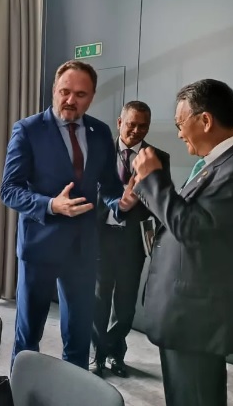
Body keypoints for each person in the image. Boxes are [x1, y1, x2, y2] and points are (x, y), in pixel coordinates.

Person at [131, 79, 233, 406]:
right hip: (188, 315)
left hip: (198, 317)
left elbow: (191, 227)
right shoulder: (218, 164)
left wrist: (153, 179)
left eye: (180, 124)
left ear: (205, 120)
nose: (179, 134)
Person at [0, 60, 139, 370]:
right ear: (54, 90)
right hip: (39, 246)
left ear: (91, 97)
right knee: (28, 336)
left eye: (80, 94)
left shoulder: (100, 132)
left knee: (78, 338)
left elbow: (109, 186)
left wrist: (122, 203)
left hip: (83, 249)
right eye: (64, 91)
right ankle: (22, 391)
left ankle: (74, 391)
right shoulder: (28, 130)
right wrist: (51, 204)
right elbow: (8, 189)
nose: (70, 100)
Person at [91, 101, 171, 378]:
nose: (137, 130)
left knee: (125, 305)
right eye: (131, 124)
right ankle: (97, 354)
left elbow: (162, 201)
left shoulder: (157, 158)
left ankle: (114, 352)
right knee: (98, 300)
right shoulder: (99, 153)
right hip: (100, 237)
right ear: (119, 123)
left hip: (133, 241)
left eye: (143, 126)